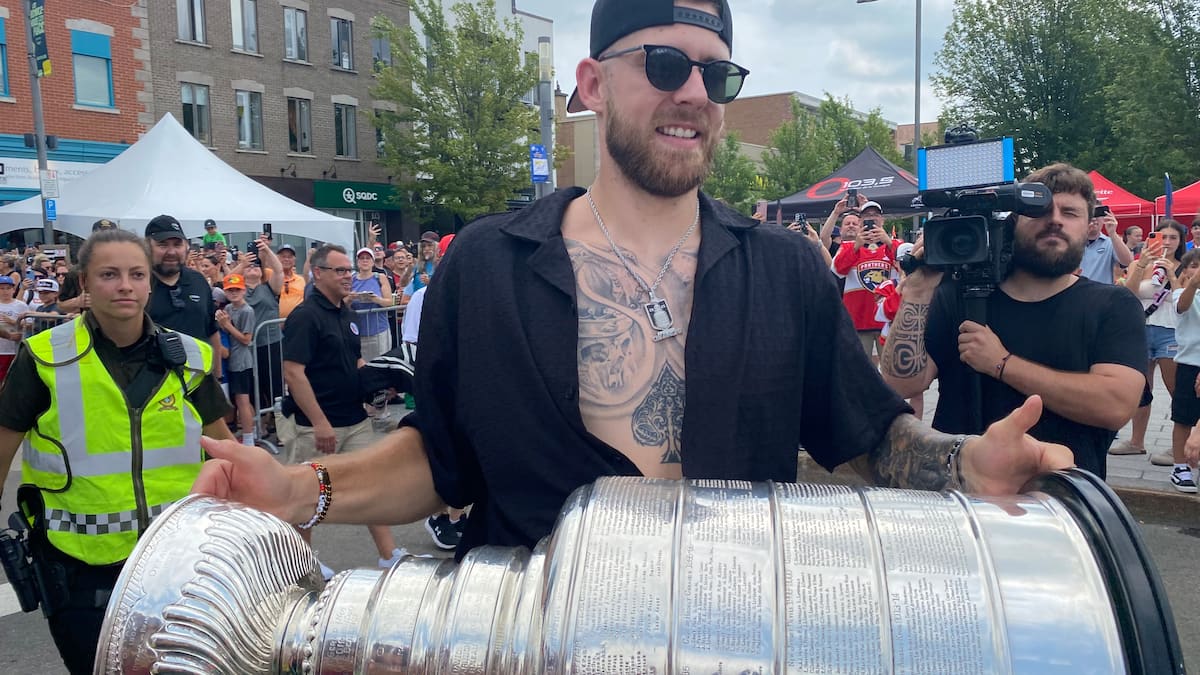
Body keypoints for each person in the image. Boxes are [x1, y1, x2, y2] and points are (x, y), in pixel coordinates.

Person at [196, 0, 1072, 561]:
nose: (692, 90)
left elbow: (868, 439)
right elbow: (444, 458)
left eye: (715, 74)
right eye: (663, 65)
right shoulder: (488, 264)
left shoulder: (785, 269)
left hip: (731, 639)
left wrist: (971, 464)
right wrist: (296, 490)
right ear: (592, 84)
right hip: (526, 642)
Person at [0, 228, 232, 674]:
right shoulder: (45, 356)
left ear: (149, 283)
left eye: (135, 274)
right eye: (109, 274)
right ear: (84, 283)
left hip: (175, 565)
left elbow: (225, 454)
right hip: (80, 572)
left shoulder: (189, 357)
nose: (125, 285)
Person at [881, 163, 1146, 479]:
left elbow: (1114, 406)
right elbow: (901, 383)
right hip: (959, 495)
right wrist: (918, 290)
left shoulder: (1112, 304)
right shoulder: (956, 296)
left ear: (1090, 226)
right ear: (1013, 223)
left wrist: (1001, 363)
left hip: (1060, 499)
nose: (1055, 220)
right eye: (1040, 211)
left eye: (1070, 213)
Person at [275, 244, 406, 575]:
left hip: (355, 418)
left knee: (372, 486)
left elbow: (354, 360)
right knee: (306, 495)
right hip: (313, 424)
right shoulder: (305, 317)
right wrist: (320, 422)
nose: (349, 276)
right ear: (318, 273)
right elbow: (293, 371)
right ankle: (301, 564)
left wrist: (374, 384)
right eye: (341, 270)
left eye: (349, 270)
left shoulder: (346, 314)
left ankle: (389, 554)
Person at [1112, 219, 1186, 459]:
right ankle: (1136, 441)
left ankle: (1184, 443)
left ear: (1180, 241)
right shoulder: (1139, 263)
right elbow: (1129, 293)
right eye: (1162, 237)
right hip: (1140, 329)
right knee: (1141, 389)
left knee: (1176, 389)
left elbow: (1183, 303)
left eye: (1173, 238)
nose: (1166, 242)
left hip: (1170, 331)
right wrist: (1143, 264)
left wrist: (1172, 275)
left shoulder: (1185, 267)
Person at [145, 215, 222, 380]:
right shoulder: (137, 285)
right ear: (147, 247)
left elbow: (212, 332)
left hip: (200, 385)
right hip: (156, 390)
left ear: (186, 246)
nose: (171, 252)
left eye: (177, 244)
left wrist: (218, 379)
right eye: (162, 244)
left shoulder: (198, 281)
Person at [832, 201, 901, 361]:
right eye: (867, 216)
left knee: (893, 370)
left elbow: (907, 267)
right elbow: (837, 270)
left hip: (888, 321)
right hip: (858, 322)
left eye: (875, 215)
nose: (872, 218)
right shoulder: (849, 246)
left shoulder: (895, 245)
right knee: (860, 373)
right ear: (861, 221)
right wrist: (857, 245)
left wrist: (888, 242)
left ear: (882, 220)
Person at [1167, 249, 1200, 492]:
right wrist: (1194, 284)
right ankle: (1180, 466)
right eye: (1193, 265)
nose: (1196, 270)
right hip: (1189, 363)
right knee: (1183, 417)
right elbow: (1182, 306)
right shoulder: (1182, 291)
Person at [216, 273, 257, 446]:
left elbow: (247, 339)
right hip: (231, 360)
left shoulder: (247, 311)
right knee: (237, 399)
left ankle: (249, 438)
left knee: (243, 400)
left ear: (244, 290)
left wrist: (227, 325)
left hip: (242, 361)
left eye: (237, 290)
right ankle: (251, 431)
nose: (234, 293)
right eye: (230, 290)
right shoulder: (228, 309)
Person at [350, 247, 395, 361]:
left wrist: (375, 299)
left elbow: (389, 302)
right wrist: (351, 298)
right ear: (357, 262)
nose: (365, 261)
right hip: (358, 332)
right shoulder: (351, 279)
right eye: (362, 258)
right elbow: (343, 303)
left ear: (373, 261)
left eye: (368, 258)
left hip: (378, 330)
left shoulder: (380, 277)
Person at [1078, 204, 1133, 283]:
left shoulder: (1111, 242)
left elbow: (1128, 262)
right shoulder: (1073, 242)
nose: (1094, 218)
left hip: (1101, 292)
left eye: (1098, 214)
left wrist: (1113, 233)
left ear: (1104, 217)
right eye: (1091, 214)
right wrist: (1082, 235)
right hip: (1077, 291)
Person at [0, 274, 29, 385]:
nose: (5, 291)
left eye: (8, 288)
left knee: (12, 379)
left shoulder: (21, 305)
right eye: (2, 288)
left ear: (13, 289)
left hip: (14, 349)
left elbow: (29, 324)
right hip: (1, 349)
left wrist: (14, 321)